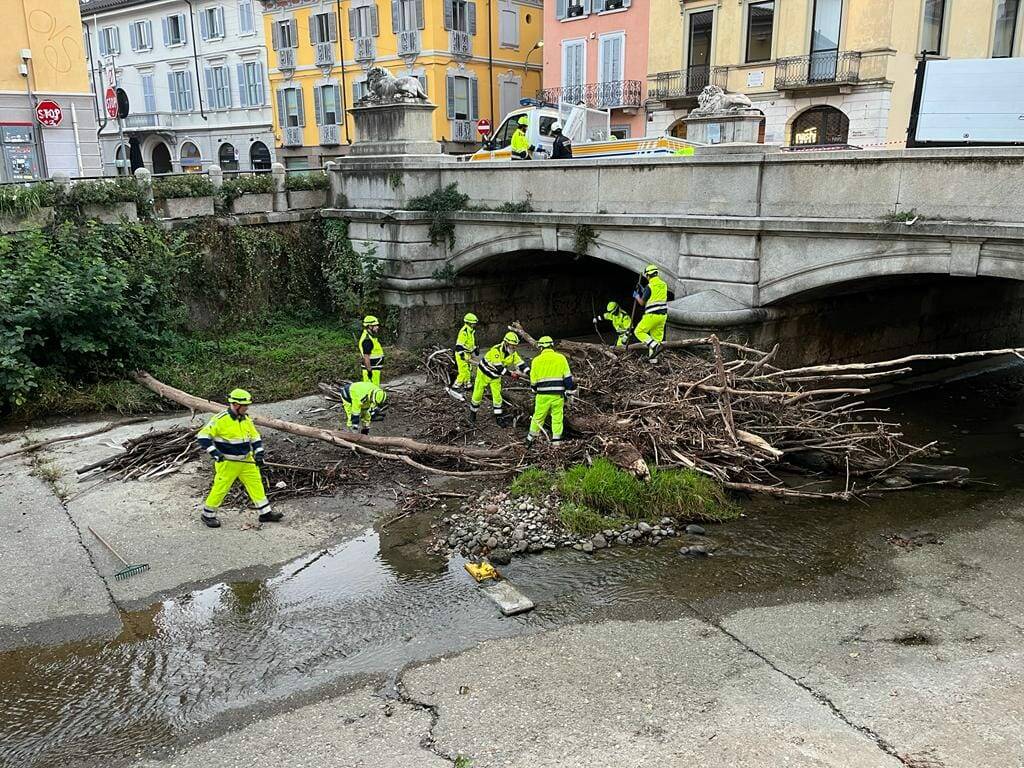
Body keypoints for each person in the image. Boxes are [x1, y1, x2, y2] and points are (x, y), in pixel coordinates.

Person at [196, 389, 281, 529]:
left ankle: (265, 513)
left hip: (247, 461)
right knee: (221, 488)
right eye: (245, 405)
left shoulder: (246, 419)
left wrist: (259, 453)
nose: (247, 407)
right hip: (228, 462)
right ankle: (208, 515)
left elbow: (255, 437)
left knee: (256, 485)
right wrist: (215, 453)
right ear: (235, 405)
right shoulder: (220, 420)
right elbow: (203, 436)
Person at [469, 331, 529, 424]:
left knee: (497, 396)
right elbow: (500, 369)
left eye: (515, 346)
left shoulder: (513, 353)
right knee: (477, 394)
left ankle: (498, 417)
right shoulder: (495, 351)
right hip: (483, 374)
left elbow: (520, 363)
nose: (514, 347)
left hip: (495, 376)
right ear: (506, 343)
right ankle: (472, 414)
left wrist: (529, 372)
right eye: (512, 345)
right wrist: (512, 374)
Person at [527, 336, 576, 447]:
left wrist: (535, 390)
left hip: (542, 395)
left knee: (538, 417)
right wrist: (569, 391)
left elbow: (533, 381)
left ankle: (530, 440)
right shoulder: (561, 358)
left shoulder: (536, 361)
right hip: (558, 395)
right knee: (557, 417)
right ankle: (556, 442)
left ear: (540, 347)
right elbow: (568, 378)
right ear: (551, 345)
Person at [633, 264, 668, 362]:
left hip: (652, 315)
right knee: (656, 338)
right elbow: (654, 295)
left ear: (648, 275)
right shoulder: (664, 284)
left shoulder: (650, 286)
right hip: (663, 316)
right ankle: (654, 361)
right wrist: (643, 290)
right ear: (656, 273)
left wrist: (636, 296)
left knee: (638, 331)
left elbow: (642, 302)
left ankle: (655, 346)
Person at [448, 312, 479, 401]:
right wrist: (462, 355)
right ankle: (455, 387)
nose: (475, 324)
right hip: (461, 354)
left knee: (469, 369)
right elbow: (459, 345)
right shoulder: (464, 331)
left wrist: (474, 349)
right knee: (463, 372)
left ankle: (467, 385)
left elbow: (468, 344)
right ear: (469, 322)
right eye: (473, 323)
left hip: (467, 354)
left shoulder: (471, 331)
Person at [359, 315, 384, 386]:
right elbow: (366, 357)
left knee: (374, 390)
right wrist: (369, 372)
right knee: (371, 390)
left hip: (375, 369)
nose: (377, 327)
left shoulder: (371, 336)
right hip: (371, 370)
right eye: (375, 325)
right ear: (369, 326)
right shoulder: (367, 340)